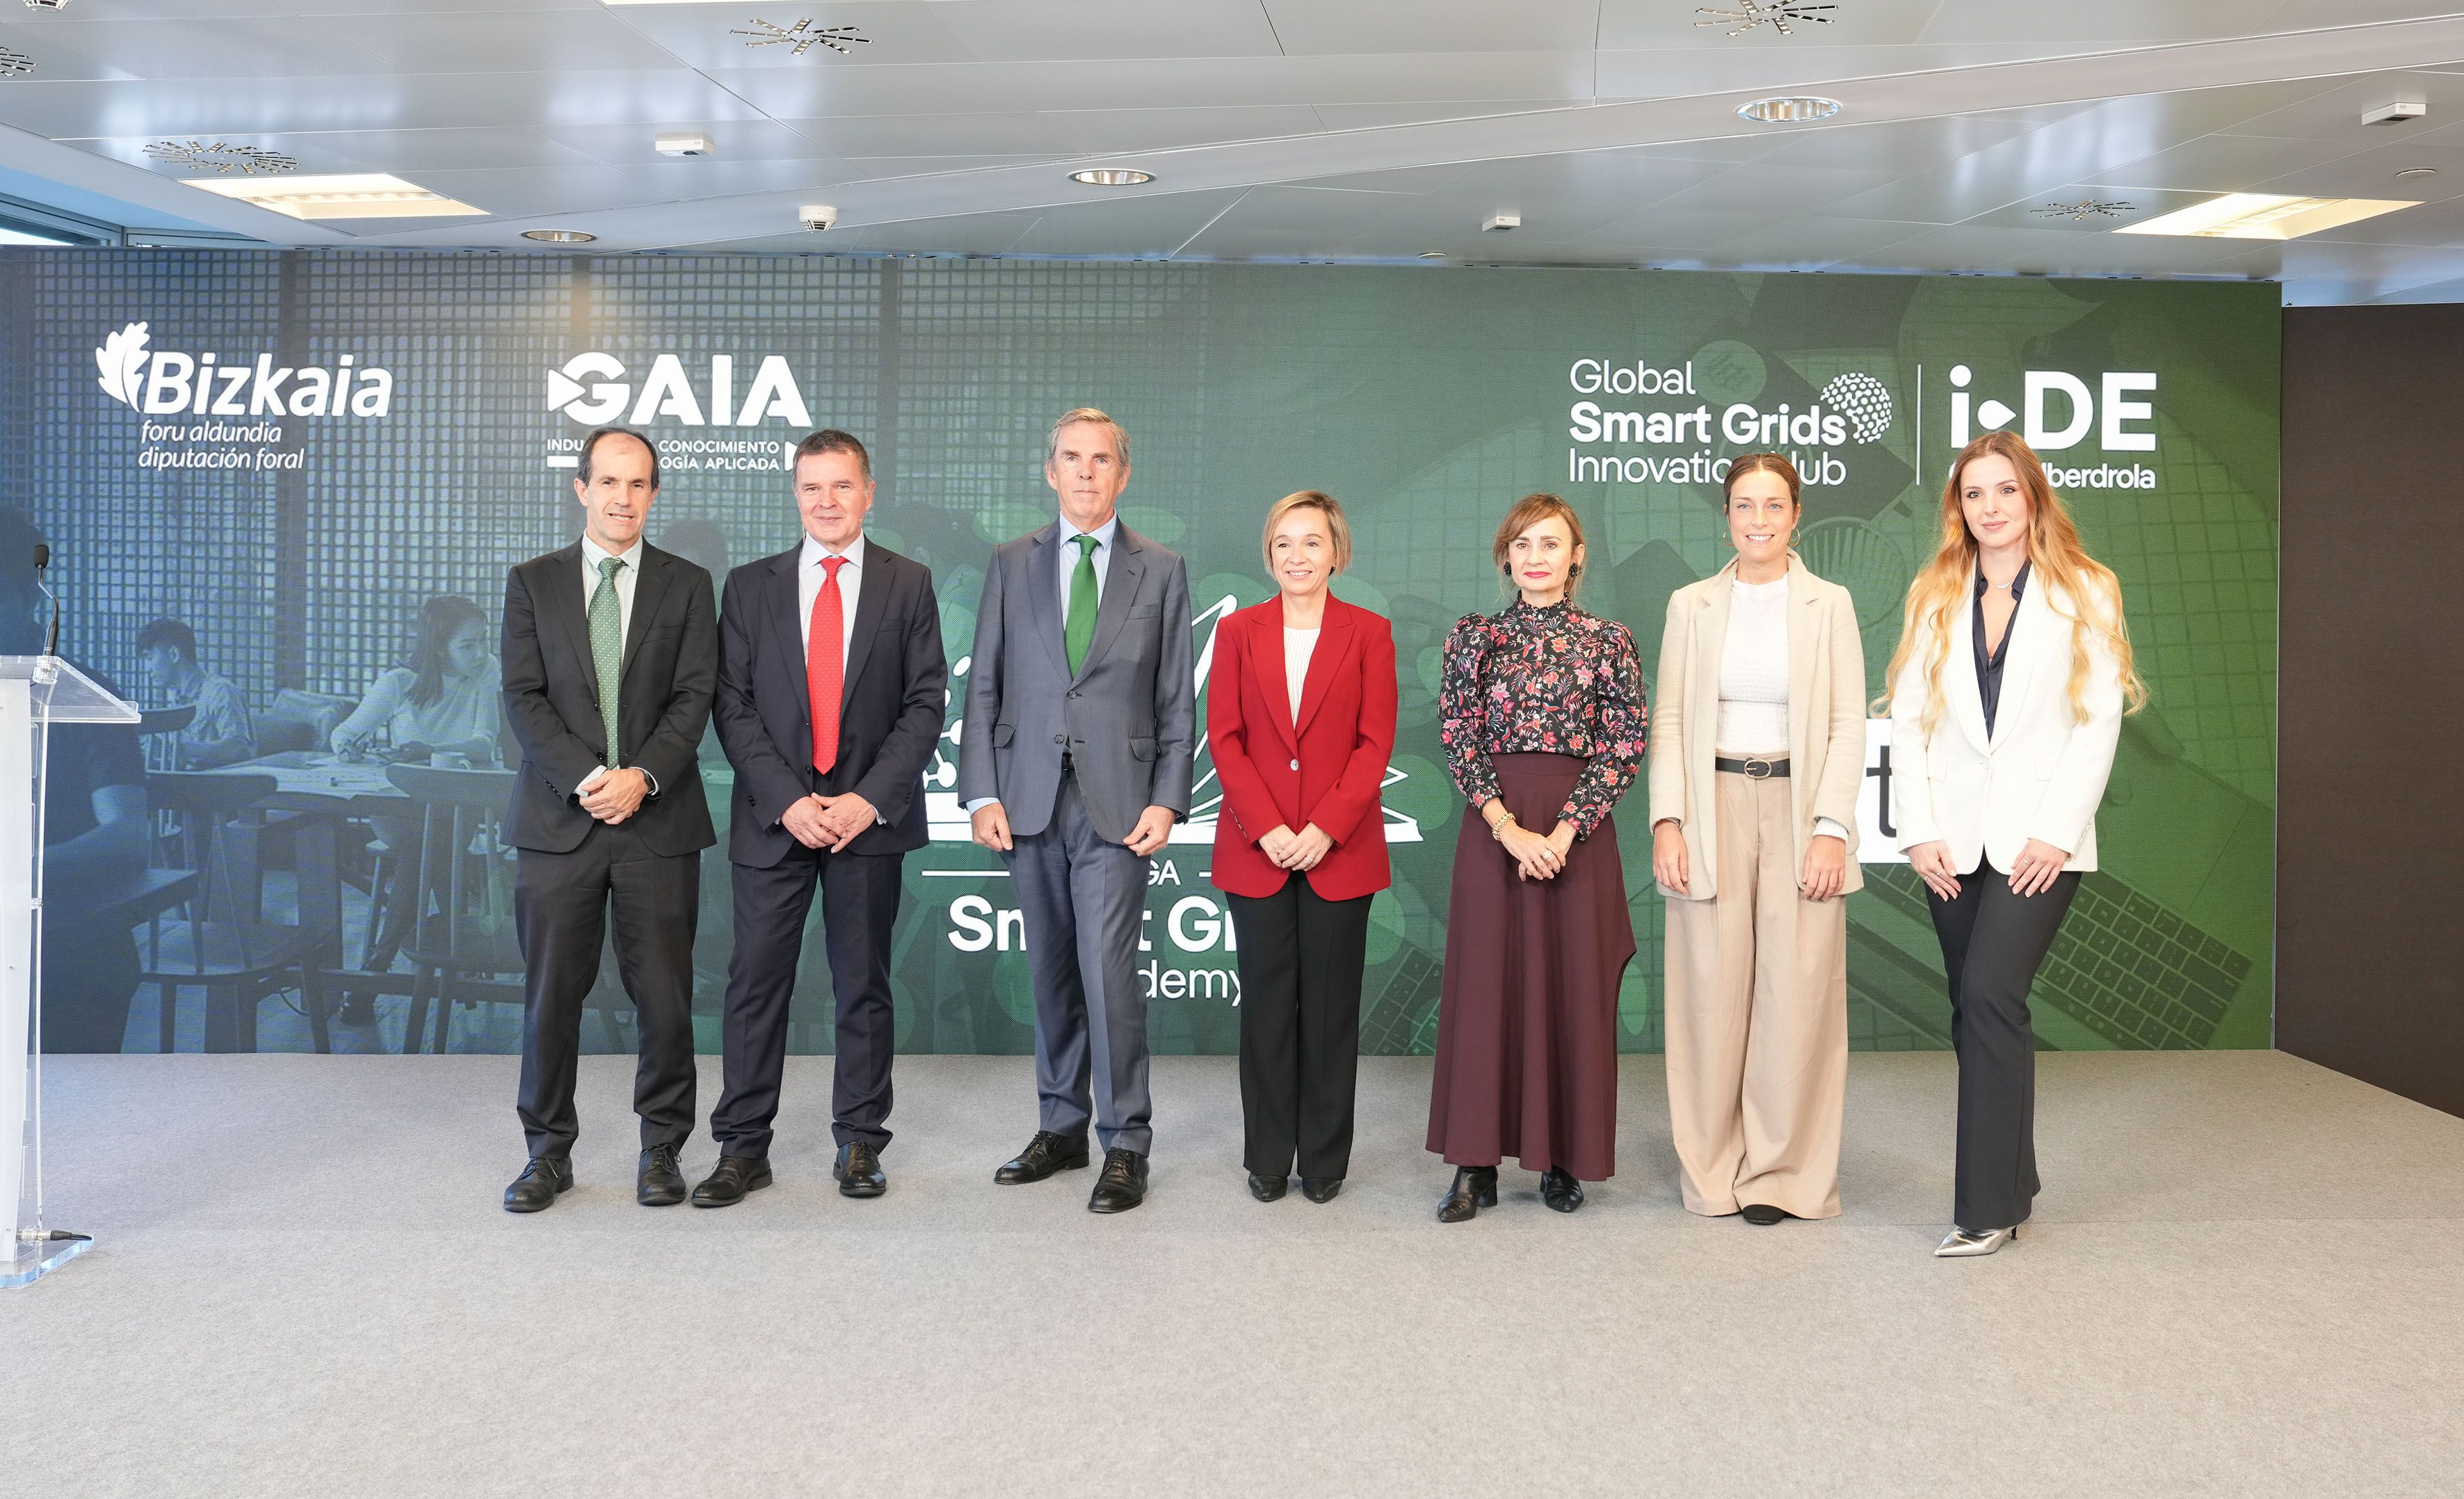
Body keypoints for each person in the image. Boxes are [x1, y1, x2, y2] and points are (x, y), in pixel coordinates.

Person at [1885, 431, 2142, 1257]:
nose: (1990, 507)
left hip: (2041, 840)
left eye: (2005, 490)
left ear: (2033, 496)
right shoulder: (1935, 590)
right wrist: (1918, 830)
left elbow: (2098, 721)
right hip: (1949, 838)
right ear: (1957, 507)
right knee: (1975, 1010)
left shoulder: (2086, 587)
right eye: (1974, 493)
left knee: (1993, 992)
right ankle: (2015, 1179)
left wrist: (2056, 833)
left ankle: (1985, 1208)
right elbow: (1909, 721)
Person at [697, 431, 947, 1207]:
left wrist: (869, 798)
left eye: (842, 486)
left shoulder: (908, 582)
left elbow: (925, 702)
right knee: (755, 983)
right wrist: (789, 800)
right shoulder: (750, 586)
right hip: (777, 818)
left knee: (862, 983)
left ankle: (860, 1142)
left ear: (869, 492)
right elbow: (732, 705)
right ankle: (742, 1147)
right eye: (812, 487)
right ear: (795, 495)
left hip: (868, 819)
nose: (827, 501)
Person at [960, 408, 1195, 1215]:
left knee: (1108, 974)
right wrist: (982, 791)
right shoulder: (1009, 561)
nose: (1086, 472)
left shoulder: (1161, 568)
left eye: (1101, 459)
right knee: (1051, 971)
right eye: (1071, 458)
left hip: (1120, 804)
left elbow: (1176, 699)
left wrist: (1169, 799)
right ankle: (1060, 1127)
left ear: (1123, 474)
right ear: (1050, 471)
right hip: (1026, 797)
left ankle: (1125, 1140)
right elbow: (983, 684)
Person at [497, 426, 718, 1213]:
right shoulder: (532, 582)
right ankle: (546, 1154)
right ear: (582, 489)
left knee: (664, 999)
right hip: (559, 822)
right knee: (550, 999)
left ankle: (662, 1148)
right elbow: (523, 697)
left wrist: (641, 777)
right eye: (610, 482)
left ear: (653, 493)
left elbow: (696, 695)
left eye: (639, 483)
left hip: (658, 823)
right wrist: (592, 779)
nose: (624, 498)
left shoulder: (689, 584)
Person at [1648, 454, 1865, 1226]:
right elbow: (1669, 717)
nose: (1759, 519)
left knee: (1795, 996)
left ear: (1796, 514)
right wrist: (1668, 819)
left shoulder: (1829, 603)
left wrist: (1832, 828)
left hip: (1799, 808)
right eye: (1745, 504)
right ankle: (1712, 1170)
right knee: (1708, 994)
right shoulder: (1691, 604)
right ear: (1727, 516)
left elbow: (1847, 722)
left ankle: (1780, 1175)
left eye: (1774, 504)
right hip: (1710, 804)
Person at [1426, 493, 1645, 1221]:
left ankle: (1562, 1158)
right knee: (1485, 990)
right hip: (1495, 828)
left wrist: (1564, 830)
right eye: (1521, 544)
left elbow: (1625, 742)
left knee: (1571, 989)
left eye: (1550, 543)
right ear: (1506, 556)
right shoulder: (1475, 636)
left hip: (1577, 834)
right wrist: (1507, 827)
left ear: (1576, 556)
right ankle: (1474, 1163)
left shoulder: (1609, 640)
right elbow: (1457, 734)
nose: (1535, 557)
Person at [1207, 492, 1396, 1205]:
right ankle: (1266, 1155)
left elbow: (1375, 742)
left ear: (1336, 552)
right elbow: (1224, 738)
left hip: (1338, 850)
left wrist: (1325, 827)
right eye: (1283, 543)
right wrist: (1269, 826)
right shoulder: (1237, 632)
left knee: (1328, 1012)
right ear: (1268, 555)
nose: (1297, 556)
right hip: (1256, 847)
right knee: (1264, 1008)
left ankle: (1322, 1159)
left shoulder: (1370, 632)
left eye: (1311, 542)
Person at [0, 513, 147, 1053]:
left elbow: (127, 834)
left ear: (28, 598)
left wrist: (23, 868)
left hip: (67, 944)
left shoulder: (81, 696)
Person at [330, 595, 501, 764]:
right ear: (440, 648)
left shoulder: (486, 667)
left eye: (483, 639)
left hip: (468, 777)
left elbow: (484, 745)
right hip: (409, 778)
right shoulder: (397, 683)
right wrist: (346, 748)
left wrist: (430, 751)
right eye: (467, 646)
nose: (481, 653)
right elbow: (344, 734)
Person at [134, 618, 255, 769]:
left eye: (150, 658)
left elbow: (239, 749)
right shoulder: (176, 699)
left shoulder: (220, 692)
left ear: (174, 655)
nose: (147, 668)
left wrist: (174, 749)